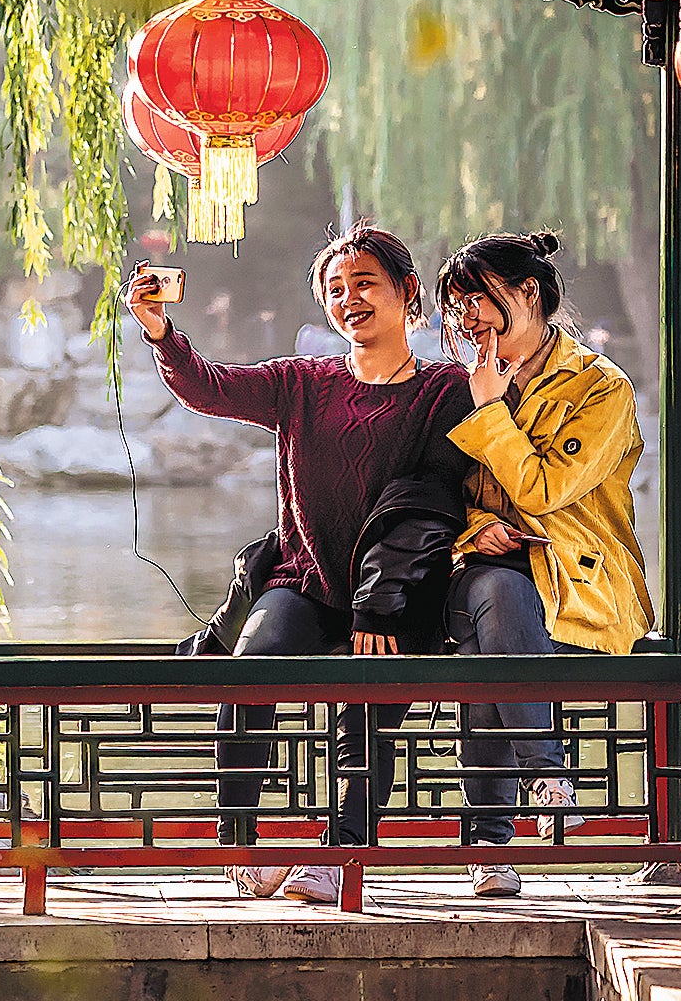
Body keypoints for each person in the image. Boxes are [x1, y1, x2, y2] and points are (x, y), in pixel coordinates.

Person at [131, 224, 473, 906]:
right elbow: (211, 387)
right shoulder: (302, 383)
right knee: (251, 669)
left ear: (408, 292)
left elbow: (434, 503)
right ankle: (243, 845)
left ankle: (340, 855)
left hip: (397, 596)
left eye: (366, 283)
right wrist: (162, 333)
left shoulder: (446, 391)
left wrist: (386, 601)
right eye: (336, 289)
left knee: (366, 714)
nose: (350, 299)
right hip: (306, 581)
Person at [436, 230, 653, 899]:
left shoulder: (599, 387)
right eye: (456, 305)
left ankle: (489, 848)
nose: (467, 319)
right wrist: (480, 530)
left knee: (488, 643)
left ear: (529, 292)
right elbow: (441, 497)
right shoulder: (468, 384)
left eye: (479, 299)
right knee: (497, 595)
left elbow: (545, 490)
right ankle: (545, 773)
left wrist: (491, 412)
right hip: (481, 579)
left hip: (577, 589)